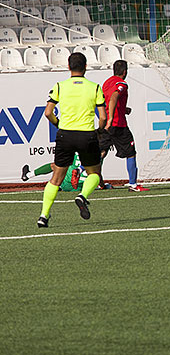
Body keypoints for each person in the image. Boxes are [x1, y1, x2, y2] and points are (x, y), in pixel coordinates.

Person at [38, 52, 106, 228]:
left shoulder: (60, 86)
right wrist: (99, 130)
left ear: (68, 67)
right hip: (86, 135)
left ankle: (43, 216)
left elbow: (47, 113)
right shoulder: (95, 87)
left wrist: (58, 124)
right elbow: (103, 117)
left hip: (65, 135)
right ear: (85, 67)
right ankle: (82, 196)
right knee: (94, 174)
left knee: (56, 178)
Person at [99, 59, 148, 191]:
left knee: (102, 152)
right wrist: (111, 119)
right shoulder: (122, 83)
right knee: (130, 153)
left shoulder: (107, 83)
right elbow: (114, 97)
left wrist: (122, 110)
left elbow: (105, 101)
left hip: (107, 124)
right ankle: (133, 184)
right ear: (125, 72)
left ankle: (82, 171)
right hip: (118, 125)